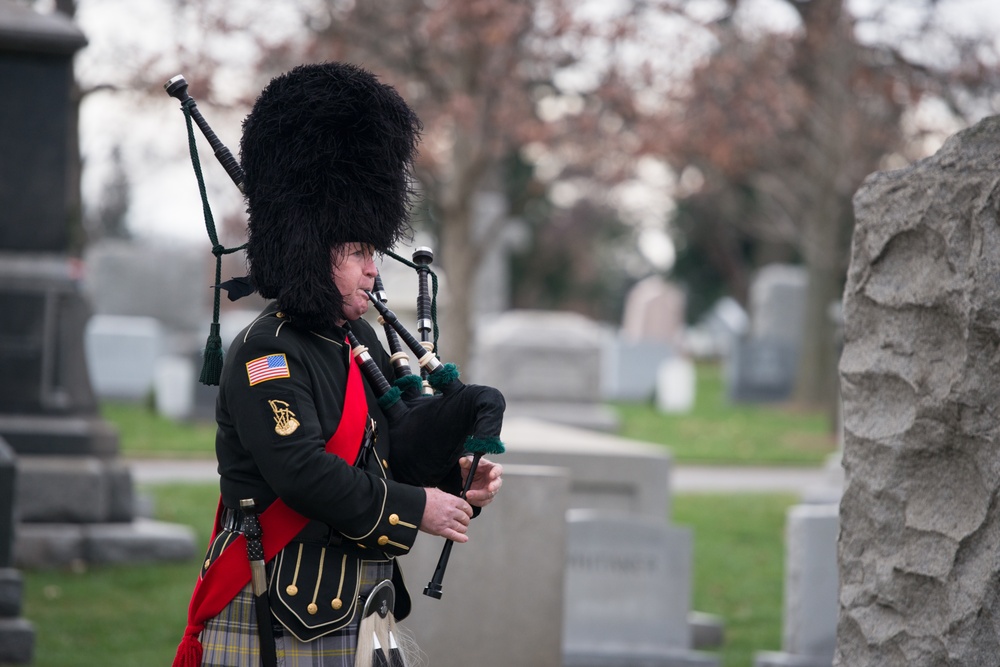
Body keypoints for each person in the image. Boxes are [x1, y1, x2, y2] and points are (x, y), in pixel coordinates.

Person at [171, 62, 504, 667]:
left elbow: (387, 453)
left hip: (358, 612)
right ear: (306, 250)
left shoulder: (354, 341)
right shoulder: (266, 352)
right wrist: (417, 509)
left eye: (372, 251)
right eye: (355, 253)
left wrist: (454, 481)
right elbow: (303, 473)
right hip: (280, 618)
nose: (374, 269)